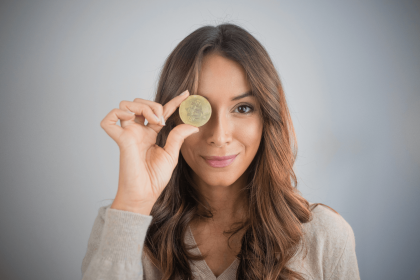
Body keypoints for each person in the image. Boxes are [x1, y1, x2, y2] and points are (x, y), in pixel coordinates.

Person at [81, 23, 360, 280]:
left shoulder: (325, 236)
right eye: (198, 110)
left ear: (267, 118)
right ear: (171, 118)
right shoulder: (120, 223)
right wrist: (133, 205)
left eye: (242, 108)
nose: (219, 136)